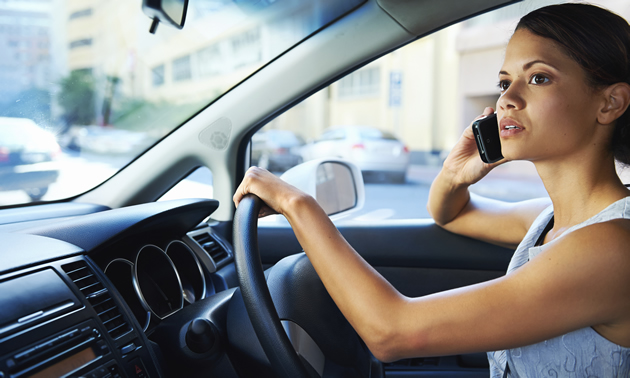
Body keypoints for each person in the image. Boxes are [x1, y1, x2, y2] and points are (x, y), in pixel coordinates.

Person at [234, 3, 630, 377]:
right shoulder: (554, 219)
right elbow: (452, 214)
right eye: (505, 82)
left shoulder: (610, 248)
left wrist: (296, 203)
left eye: (538, 78)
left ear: (610, 103)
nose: (507, 99)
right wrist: (455, 173)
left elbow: (391, 332)